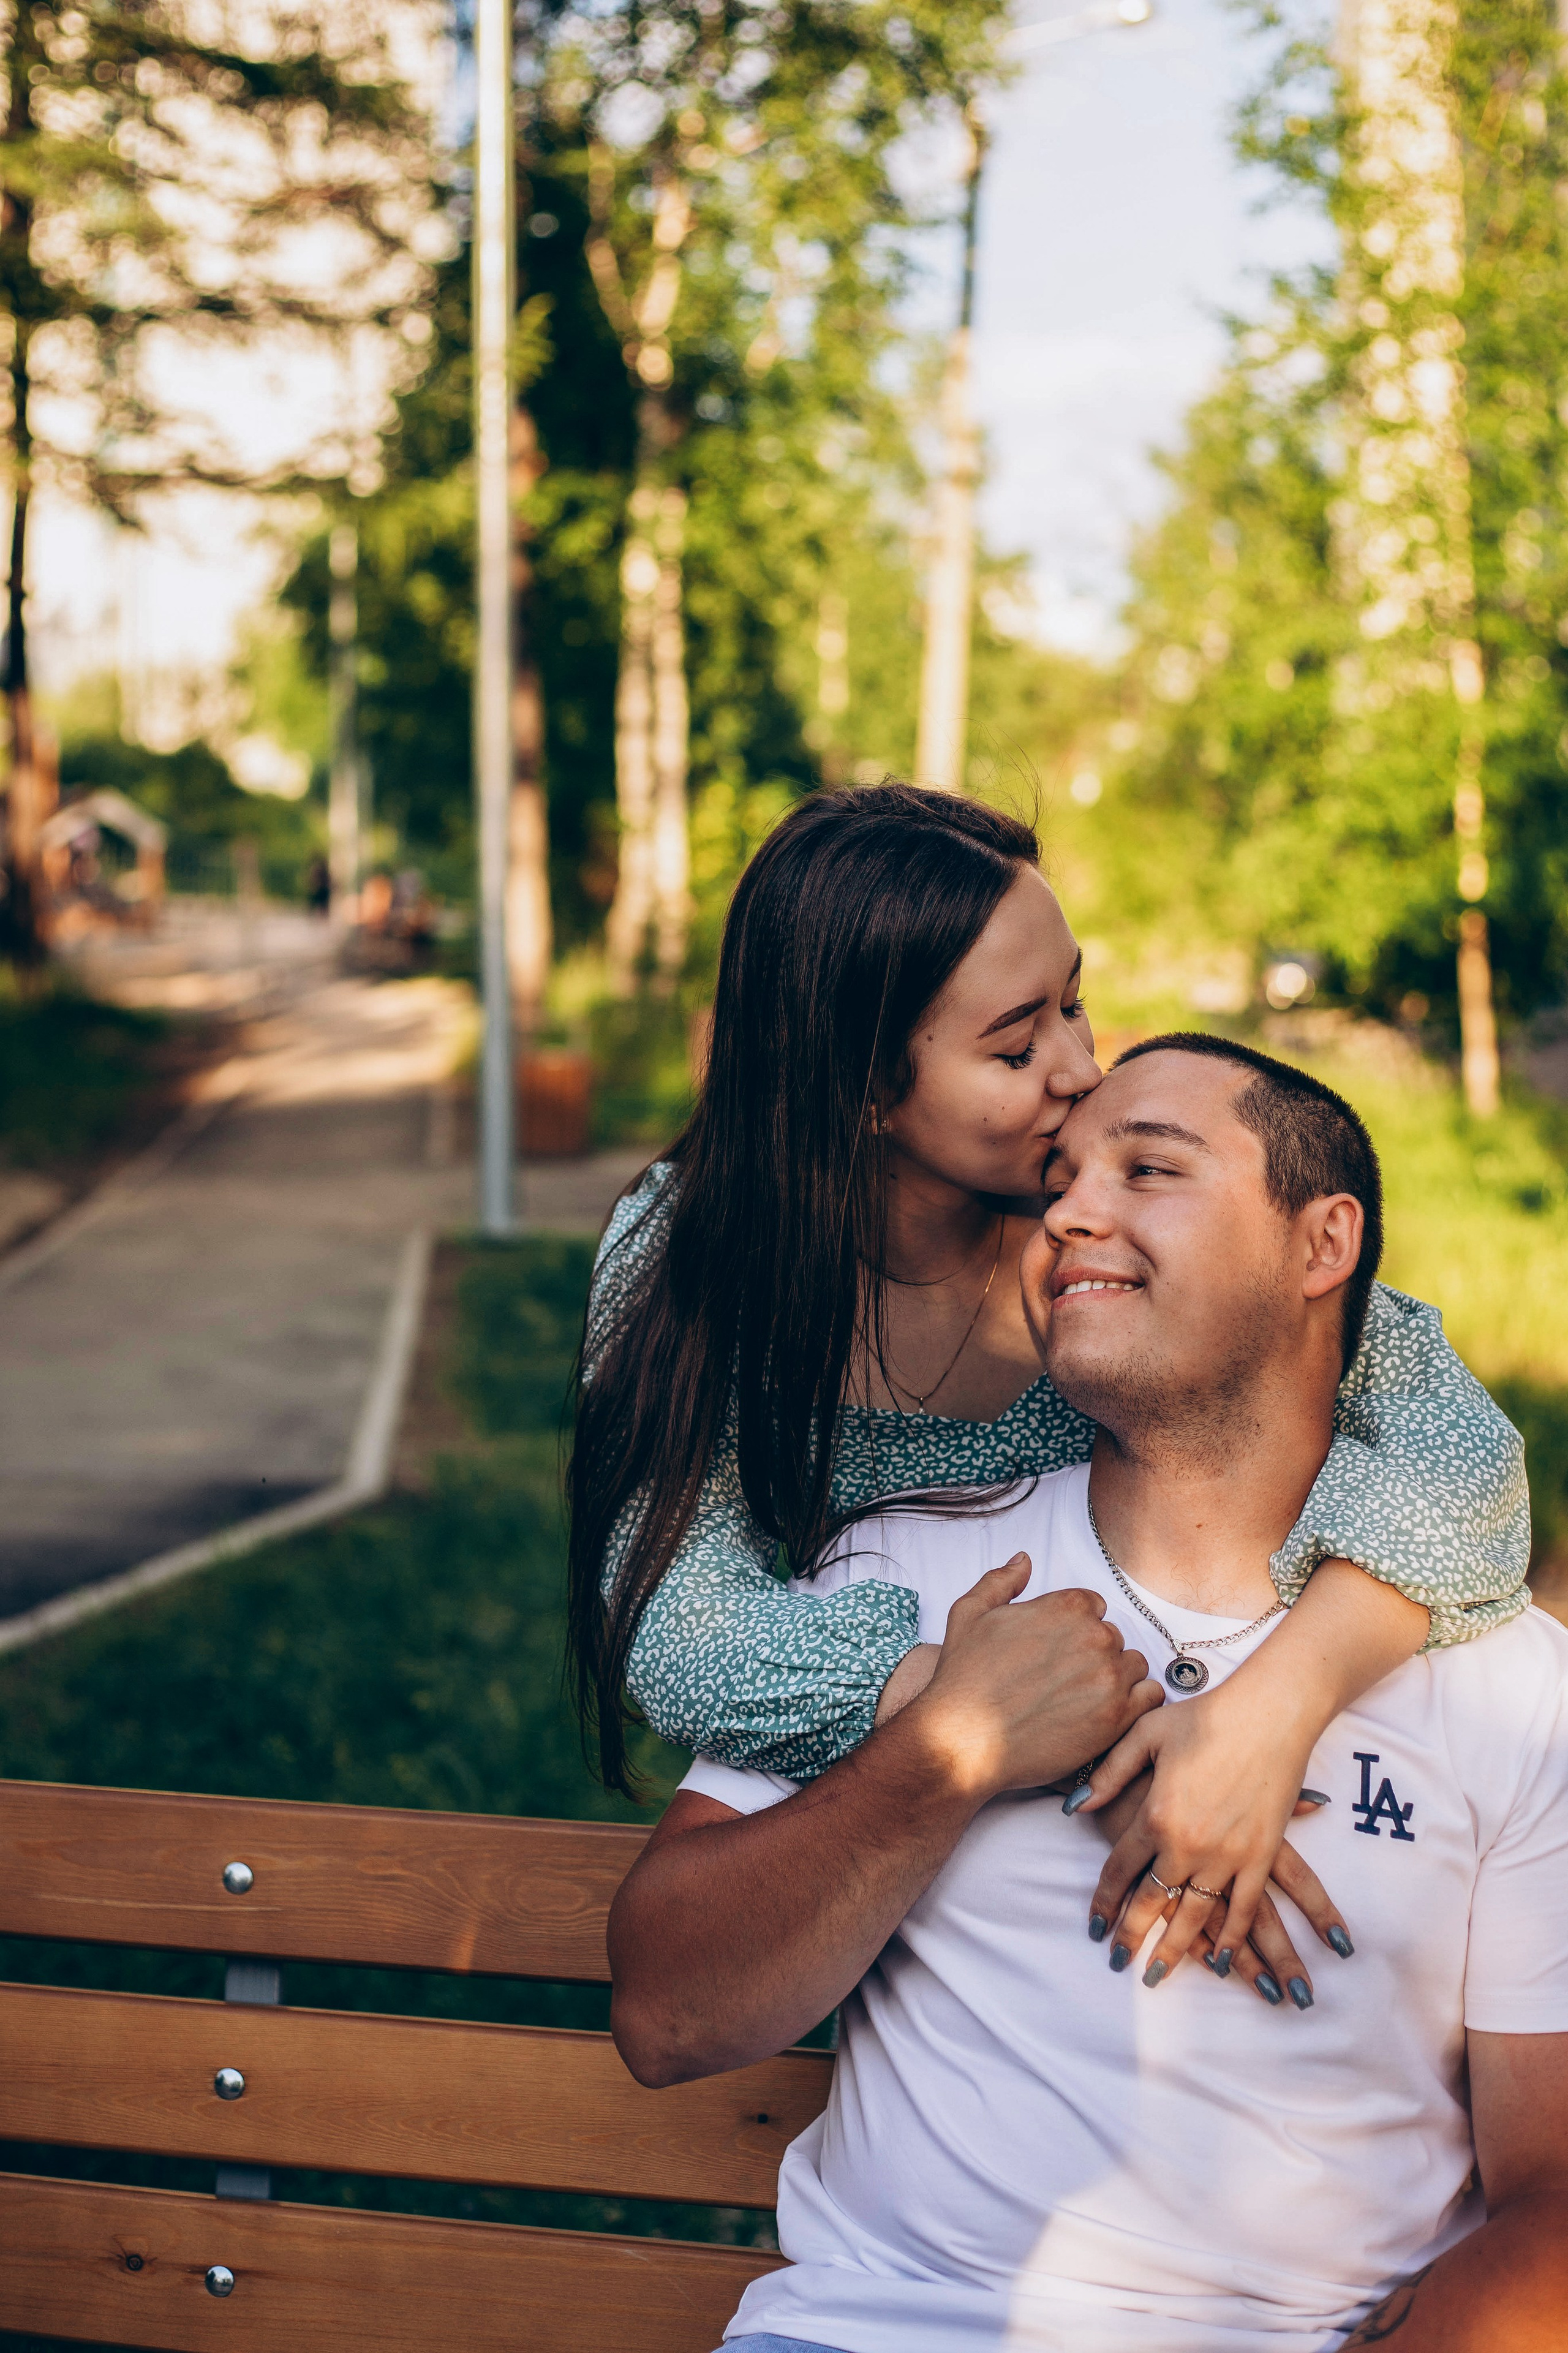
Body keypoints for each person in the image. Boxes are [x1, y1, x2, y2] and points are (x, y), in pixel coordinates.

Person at [609, 1039, 1568, 2353]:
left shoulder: (1502, 1682)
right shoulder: (915, 1570)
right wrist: (950, 1747)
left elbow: (1552, 2194)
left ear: (1322, 1243)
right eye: (1056, 1181)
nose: (1066, 1212)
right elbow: (666, 2013)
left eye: (1149, 1169)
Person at [570, 784, 1527, 1970]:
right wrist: (990, 1716)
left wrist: (1265, 1715)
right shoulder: (695, 1250)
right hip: (903, 1830)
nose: (1081, 1069)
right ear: (859, 1086)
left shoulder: (1103, 1224)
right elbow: (673, 1623)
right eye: (1017, 1045)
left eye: (1074, 1001)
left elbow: (1463, 1458)